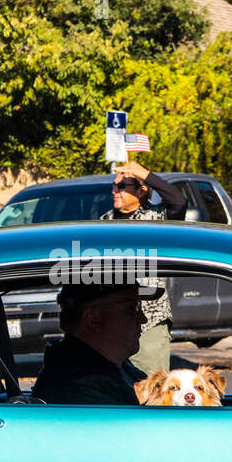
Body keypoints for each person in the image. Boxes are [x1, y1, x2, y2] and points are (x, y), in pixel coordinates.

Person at [101, 160, 187, 375]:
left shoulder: (156, 218)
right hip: (114, 322)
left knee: (151, 388)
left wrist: (144, 173)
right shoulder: (104, 222)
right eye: (113, 186)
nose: (115, 191)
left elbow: (179, 202)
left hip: (149, 321)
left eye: (122, 186)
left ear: (141, 191)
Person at [32, 281, 160, 405]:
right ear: (93, 320)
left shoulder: (112, 367)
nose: (144, 319)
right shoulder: (79, 389)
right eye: (133, 309)